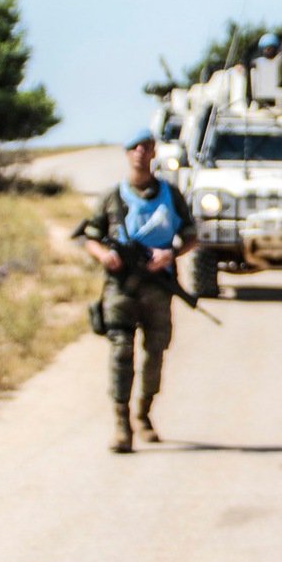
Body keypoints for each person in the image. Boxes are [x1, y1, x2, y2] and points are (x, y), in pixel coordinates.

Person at [78, 128, 199, 454]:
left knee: (155, 353)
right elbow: (89, 237)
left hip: (157, 287)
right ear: (127, 153)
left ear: (154, 152)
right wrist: (106, 255)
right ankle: (121, 424)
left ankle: (143, 413)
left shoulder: (170, 195)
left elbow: (191, 235)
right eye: (135, 148)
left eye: (146, 147)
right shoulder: (111, 198)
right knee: (120, 353)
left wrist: (169, 255)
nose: (140, 153)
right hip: (120, 288)